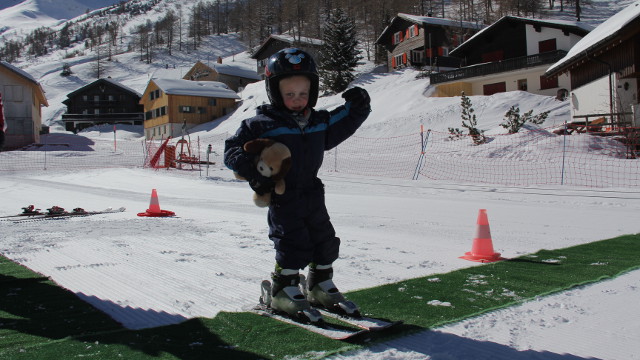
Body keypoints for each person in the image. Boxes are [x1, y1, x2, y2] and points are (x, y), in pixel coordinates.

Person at [224, 48, 371, 322]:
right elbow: (232, 148)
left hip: (313, 191)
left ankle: (319, 284)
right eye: (289, 94)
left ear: (312, 92)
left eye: (303, 94)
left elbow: (344, 120)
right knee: (292, 242)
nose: (296, 100)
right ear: (275, 92)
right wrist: (252, 172)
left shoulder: (318, 122)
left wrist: (359, 106)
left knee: (324, 238)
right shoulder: (260, 124)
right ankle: (283, 288)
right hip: (283, 194)